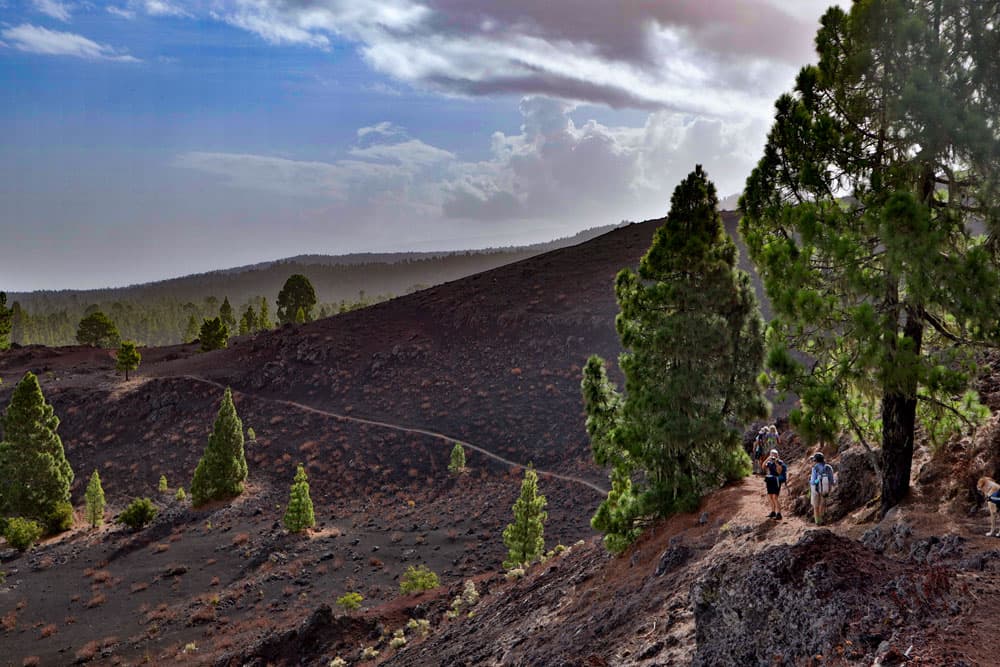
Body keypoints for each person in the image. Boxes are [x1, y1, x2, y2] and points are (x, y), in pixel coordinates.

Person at [809, 452, 836, 525]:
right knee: (822, 504)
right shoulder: (828, 467)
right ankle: (822, 519)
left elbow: (813, 481)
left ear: (816, 460)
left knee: (816, 506)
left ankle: (817, 521)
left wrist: (813, 482)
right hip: (825, 488)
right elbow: (832, 480)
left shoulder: (815, 468)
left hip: (815, 489)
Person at [763, 449, 786, 519]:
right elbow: (763, 467)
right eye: (772, 454)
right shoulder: (769, 462)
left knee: (775, 497)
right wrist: (767, 459)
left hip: (777, 481)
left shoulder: (780, 462)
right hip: (770, 480)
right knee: (770, 496)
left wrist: (776, 462)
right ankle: (773, 512)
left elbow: (779, 472)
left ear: (777, 455)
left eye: (774, 454)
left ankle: (779, 513)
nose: (773, 456)